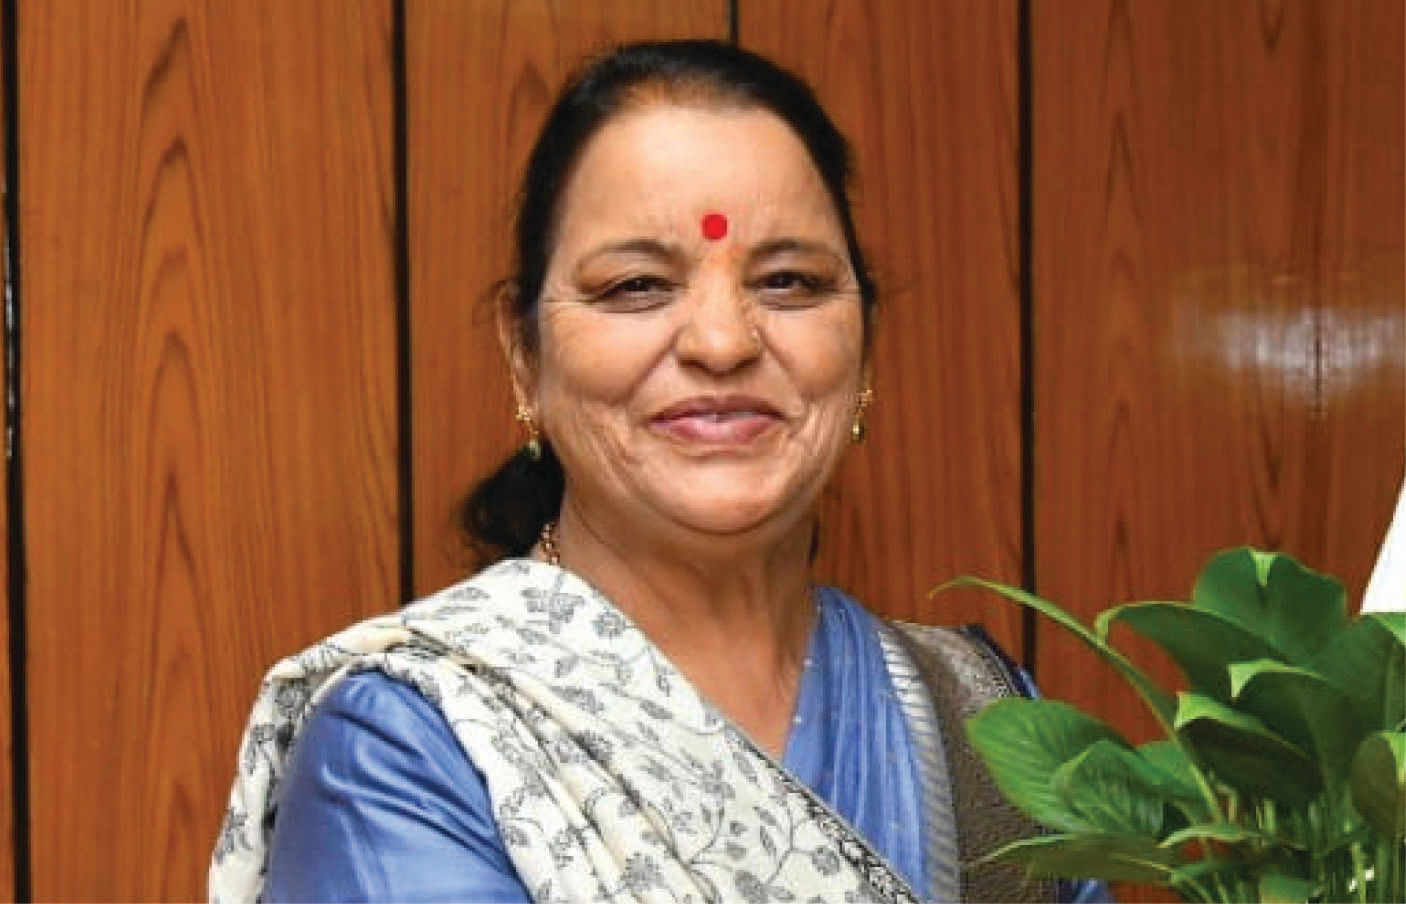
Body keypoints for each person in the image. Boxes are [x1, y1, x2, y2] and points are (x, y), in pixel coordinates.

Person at [210, 39, 1109, 903]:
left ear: (865, 347)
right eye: (636, 286)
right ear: (524, 357)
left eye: (789, 281)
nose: (721, 341)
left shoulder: (976, 723)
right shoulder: (415, 744)